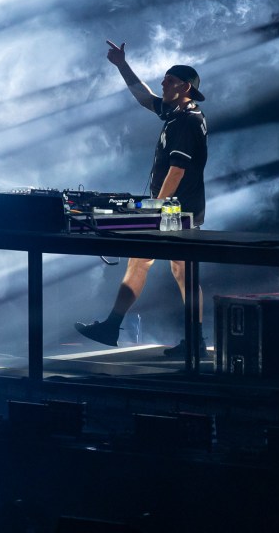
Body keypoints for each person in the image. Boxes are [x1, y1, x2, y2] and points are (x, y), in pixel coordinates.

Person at [74, 40, 209, 358]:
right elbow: (144, 98)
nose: (163, 84)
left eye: (169, 81)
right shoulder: (177, 114)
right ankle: (190, 341)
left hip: (176, 211)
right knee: (156, 265)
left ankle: (190, 341)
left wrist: (156, 209)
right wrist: (122, 65)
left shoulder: (188, 121)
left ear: (185, 86)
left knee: (168, 268)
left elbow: (177, 169)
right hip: (176, 210)